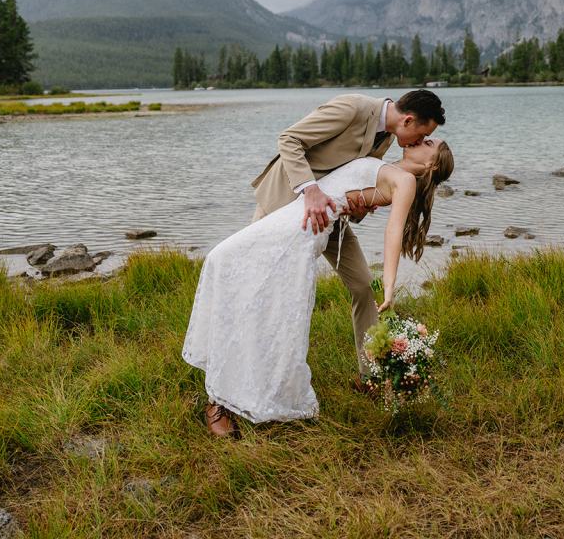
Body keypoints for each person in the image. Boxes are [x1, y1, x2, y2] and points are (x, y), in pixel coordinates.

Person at [181, 137, 454, 436]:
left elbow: (393, 230)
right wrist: (359, 203)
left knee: (231, 272)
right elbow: (349, 188)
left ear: (432, 163)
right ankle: (223, 390)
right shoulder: (386, 159)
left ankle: (227, 395)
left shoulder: (405, 181)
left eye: (429, 142)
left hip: (299, 228)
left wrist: (389, 285)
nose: (421, 138)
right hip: (295, 215)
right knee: (226, 267)